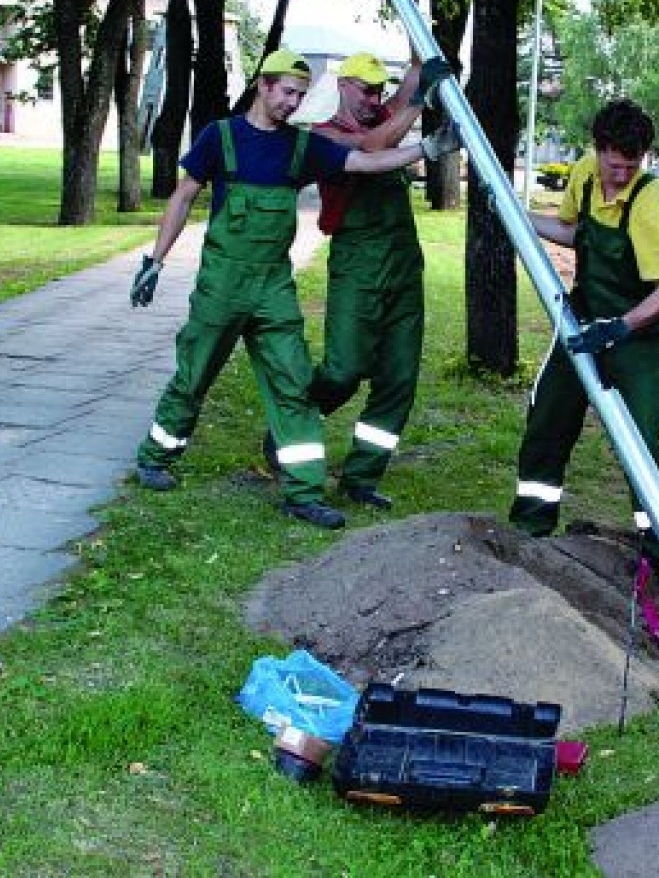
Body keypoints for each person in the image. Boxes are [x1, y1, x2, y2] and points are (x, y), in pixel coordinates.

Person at [127, 49, 454, 530]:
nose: (293, 104)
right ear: (263, 86)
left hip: (273, 288)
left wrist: (423, 151)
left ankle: (303, 491)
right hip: (222, 284)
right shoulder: (221, 137)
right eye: (287, 93)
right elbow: (183, 195)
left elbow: (364, 162)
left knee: (294, 385)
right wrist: (154, 260)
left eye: (300, 96)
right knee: (194, 373)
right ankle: (156, 455)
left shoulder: (302, 146)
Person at [507, 99, 659, 585]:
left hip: (633, 337)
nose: (621, 174)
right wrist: (517, 216)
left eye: (632, 165)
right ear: (598, 150)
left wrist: (624, 326)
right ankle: (530, 527)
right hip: (584, 327)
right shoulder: (585, 175)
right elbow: (568, 230)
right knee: (548, 419)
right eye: (614, 163)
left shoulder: (652, 204)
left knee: (642, 442)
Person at [306, 52, 428, 510]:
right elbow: (375, 146)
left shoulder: (382, 114)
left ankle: (361, 476)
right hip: (357, 263)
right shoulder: (324, 134)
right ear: (342, 84)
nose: (374, 98)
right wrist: (421, 105)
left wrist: (422, 58)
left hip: (401, 261)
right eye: (365, 89)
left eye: (379, 90)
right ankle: (291, 424)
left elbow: (410, 85)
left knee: (399, 377)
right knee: (343, 369)